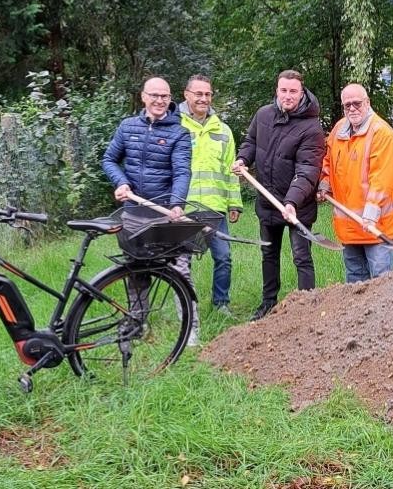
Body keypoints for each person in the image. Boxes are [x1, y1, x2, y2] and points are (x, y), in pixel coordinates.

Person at [102, 76, 197, 343]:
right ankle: (136, 325)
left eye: (164, 96)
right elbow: (109, 159)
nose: (159, 101)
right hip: (134, 212)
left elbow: (181, 172)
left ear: (170, 100)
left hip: (166, 215)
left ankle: (190, 330)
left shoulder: (179, 132)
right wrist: (121, 183)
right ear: (143, 97)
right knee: (136, 271)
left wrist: (177, 202)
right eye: (154, 95)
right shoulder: (127, 127)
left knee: (180, 271)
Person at [232, 70, 325, 321]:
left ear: (302, 92)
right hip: (267, 202)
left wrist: (292, 201)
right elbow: (251, 142)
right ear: (277, 90)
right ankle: (268, 303)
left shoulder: (311, 128)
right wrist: (243, 159)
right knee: (269, 254)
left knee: (301, 256)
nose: (287, 96)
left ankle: (306, 307)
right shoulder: (263, 115)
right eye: (283, 90)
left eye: (293, 91)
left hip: (298, 206)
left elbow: (307, 171)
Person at [318, 83, 393, 282]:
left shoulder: (381, 133)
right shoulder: (338, 131)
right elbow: (328, 161)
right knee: (355, 281)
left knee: (381, 281)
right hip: (349, 227)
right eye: (347, 105)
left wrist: (371, 214)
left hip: (377, 226)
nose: (352, 109)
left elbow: (382, 178)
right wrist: (324, 184)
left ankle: (383, 314)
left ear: (367, 103)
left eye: (357, 103)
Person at [178, 74, 243, 318]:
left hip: (215, 209)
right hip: (184, 208)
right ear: (187, 94)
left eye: (207, 94)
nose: (203, 98)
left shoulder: (223, 131)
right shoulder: (177, 127)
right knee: (183, 262)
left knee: (224, 257)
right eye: (198, 93)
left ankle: (221, 304)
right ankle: (186, 308)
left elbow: (231, 171)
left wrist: (234, 203)